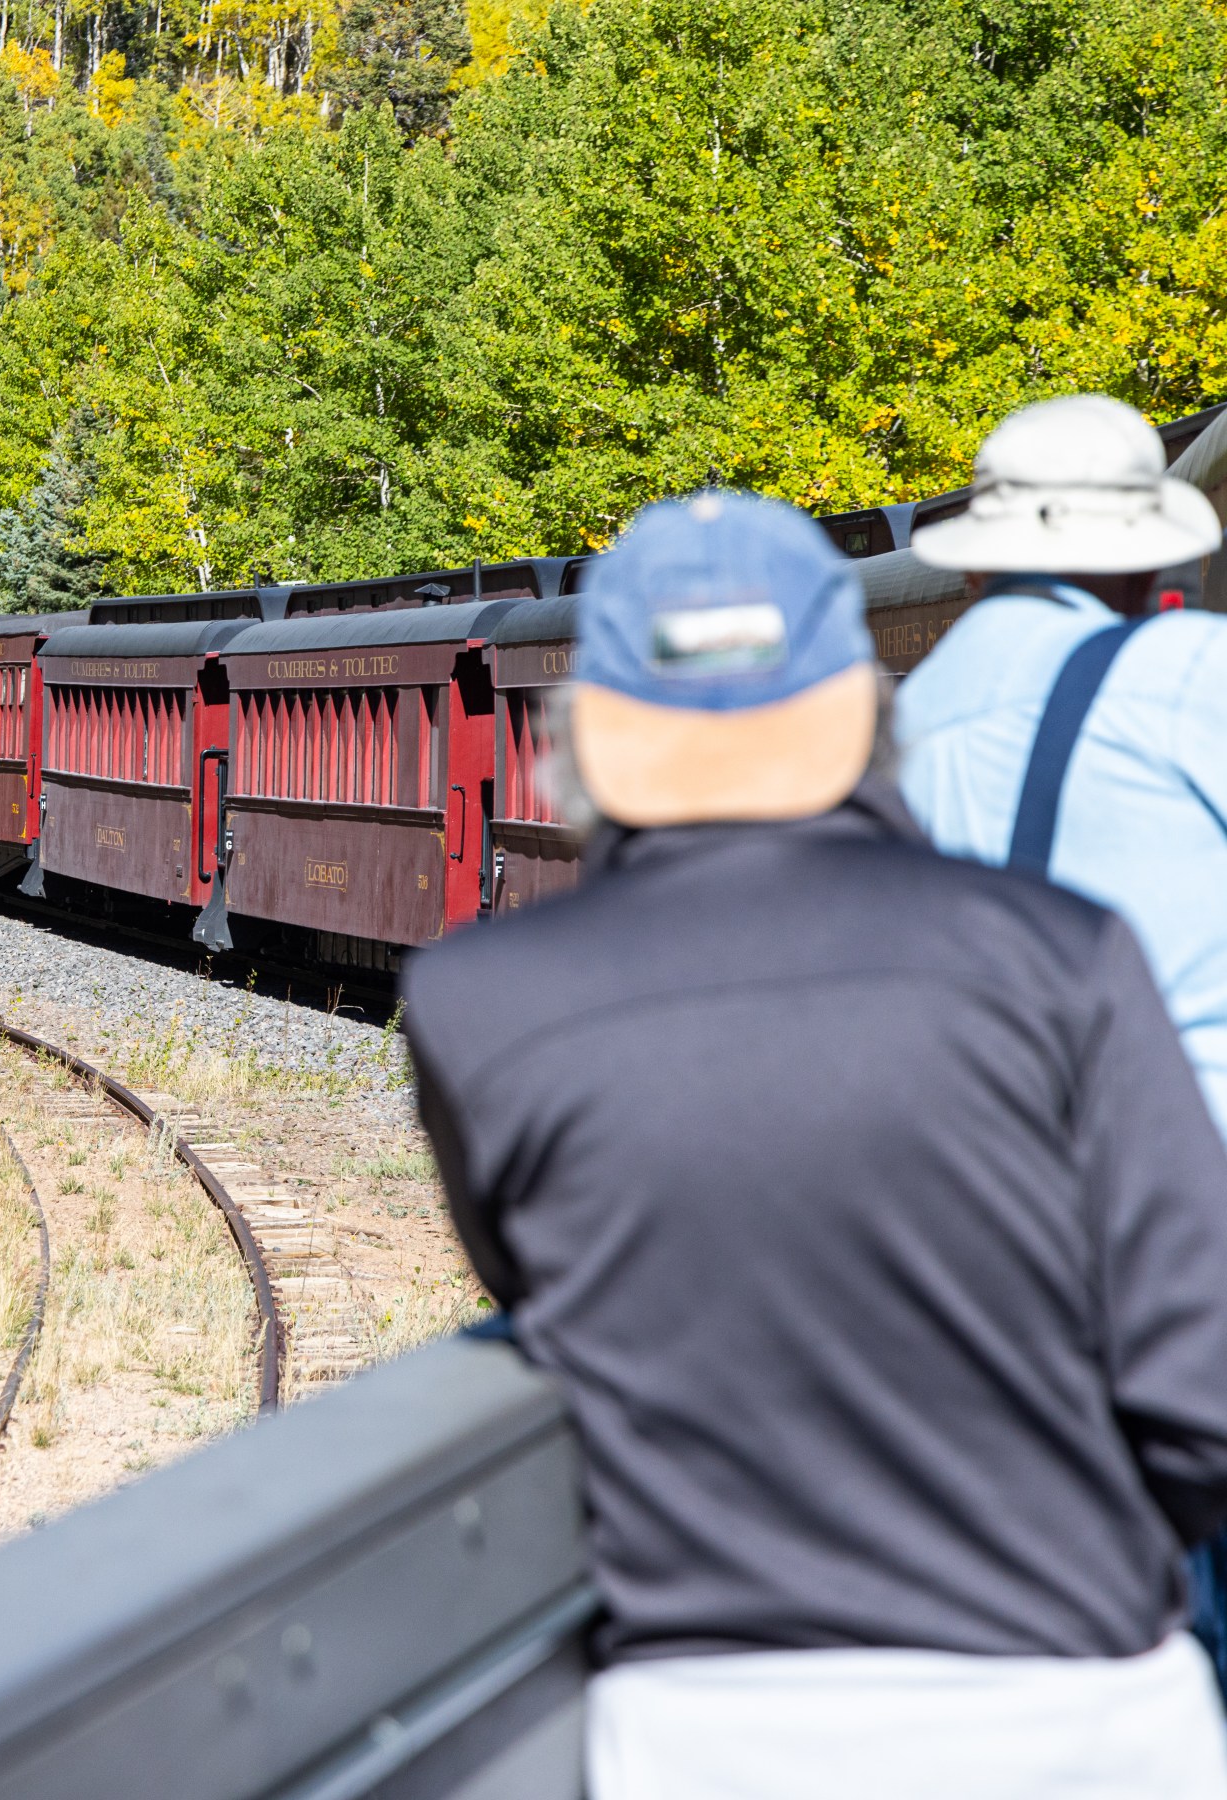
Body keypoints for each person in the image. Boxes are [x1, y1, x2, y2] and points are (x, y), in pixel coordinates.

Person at [401, 491, 1227, 1799]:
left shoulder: (475, 1006)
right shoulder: (1065, 957)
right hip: (1080, 1707)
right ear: (864, 715)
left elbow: (534, 1284)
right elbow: (1203, 1390)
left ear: (587, 738)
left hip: (709, 1730)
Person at [895, 393, 1227, 1138]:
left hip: (992, 1159)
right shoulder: (1194, 670)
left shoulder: (902, 721)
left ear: (974, 567)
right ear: (1146, 565)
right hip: (1193, 1145)